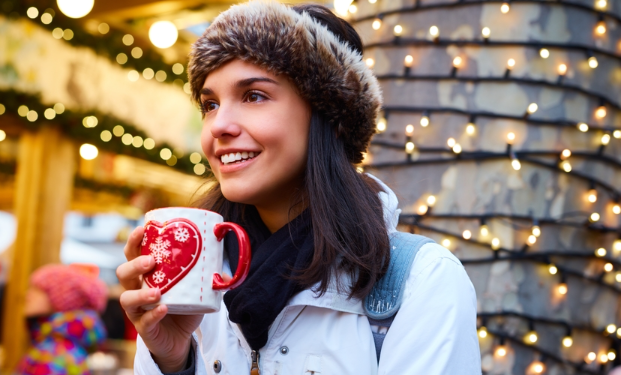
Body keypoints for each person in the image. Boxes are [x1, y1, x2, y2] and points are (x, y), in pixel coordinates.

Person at [117, 2, 481, 374]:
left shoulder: (420, 282)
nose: (217, 126)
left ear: (331, 119)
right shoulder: (197, 282)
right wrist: (173, 361)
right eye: (210, 104)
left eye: (254, 95)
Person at [15, 264, 108, 375]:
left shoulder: (52, 356)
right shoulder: (62, 345)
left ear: (61, 299)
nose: (27, 295)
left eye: (37, 289)